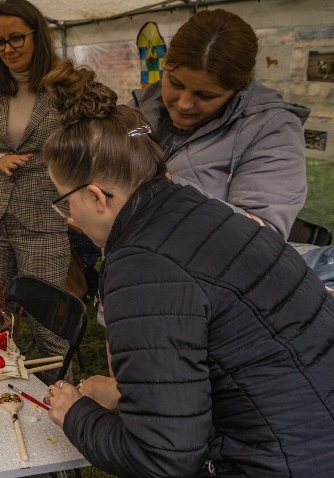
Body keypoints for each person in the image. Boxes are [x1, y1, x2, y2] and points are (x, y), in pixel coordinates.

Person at [41, 59, 334, 477]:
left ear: (96, 197)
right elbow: (228, 359)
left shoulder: (142, 268)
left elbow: (163, 460)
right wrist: (131, 395)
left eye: (63, 200)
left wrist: (75, 414)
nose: (68, 215)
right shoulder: (200, 210)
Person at [130, 9, 309, 240]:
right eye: (175, 83)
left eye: (205, 96)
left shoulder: (272, 130)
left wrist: (162, 184)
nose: (184, 104)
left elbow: (262, 238)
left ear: (237, 90)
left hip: (194, 272)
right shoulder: (141, 106)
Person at [0, 0, 70, 308]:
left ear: (38, 36)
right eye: (0, 42)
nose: (8, 49)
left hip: (45, 217)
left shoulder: (65, 85)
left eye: (16, 38)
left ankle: (56, 359)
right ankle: (0, 358)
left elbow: (87, 145)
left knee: (48, 320)